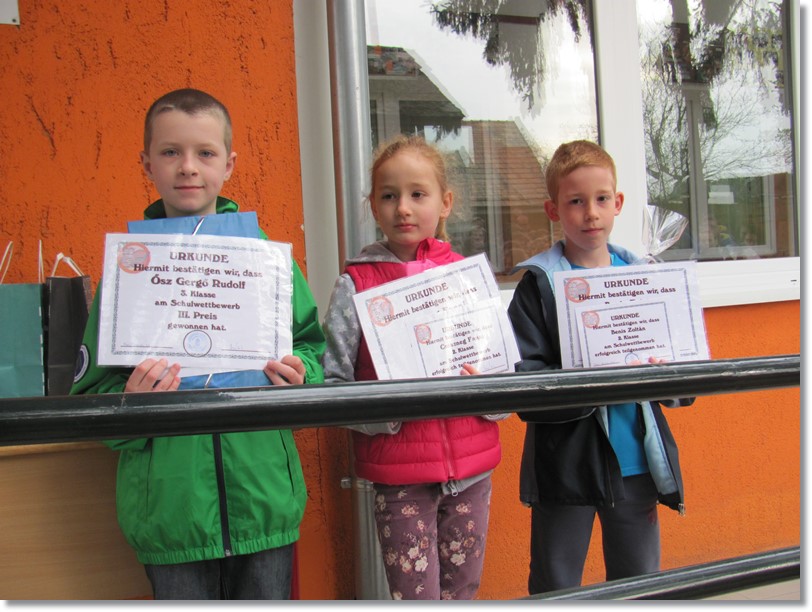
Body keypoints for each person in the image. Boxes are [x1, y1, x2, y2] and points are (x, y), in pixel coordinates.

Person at [70, 88, 326, 600]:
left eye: (205, 153)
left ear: (228, 165)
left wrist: (301, 375)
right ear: (146, 163)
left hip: (264, 501)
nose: (188, 167)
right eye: (171, 152)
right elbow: (91, 396)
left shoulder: (266, 260)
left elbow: (311, 348)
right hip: (170, 515)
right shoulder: (129, 272)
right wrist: (130, 404)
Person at [321, 134, 507, 600]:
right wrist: (386, 412)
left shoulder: (468, 277)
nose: (403, 208)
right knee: (413, 596)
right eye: (389, 195)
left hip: (471, 471)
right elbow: (333, 382)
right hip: (399, 476)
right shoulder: (356, 283)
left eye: (417, 194)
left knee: (463, 592)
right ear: (373, 205)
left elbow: (502, 373)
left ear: (445, 203)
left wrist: (488, 394)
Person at [507, 140, 691, 594]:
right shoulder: (538, 287)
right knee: (555, 585)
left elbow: (683, 377)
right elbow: (524, 383)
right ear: (553, 210)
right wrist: (587, 377)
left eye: (601, 199)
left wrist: (665, 372)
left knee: (638, 584)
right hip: (566, 466)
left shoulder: (646, 277)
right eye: (576, 201)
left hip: (637, 464)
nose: (590, 213)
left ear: (618, 203)